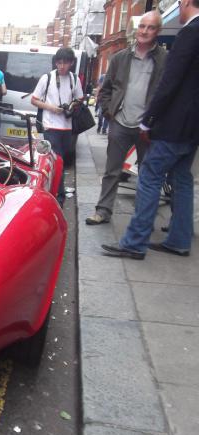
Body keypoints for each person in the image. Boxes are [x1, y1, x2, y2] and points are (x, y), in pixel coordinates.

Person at [102, 0, 199, 259]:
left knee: (149, 177)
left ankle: (135, 242)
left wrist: (149, 119)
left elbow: (169, 84)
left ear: (186, 2)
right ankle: (179, 239)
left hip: (173, 126)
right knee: (182, 179)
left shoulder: (190, 32)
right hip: (192, 129)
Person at [86, 11, 167, 225]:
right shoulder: (120, 57)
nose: (144, 31)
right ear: (136, 29)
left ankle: (142, 218)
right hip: (120, 121)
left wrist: (155, 121)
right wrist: (108, 112)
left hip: (147, 127)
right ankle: (103, 210)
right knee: (112, 170)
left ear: (157, 32)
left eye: (150, 28)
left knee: (148, 175)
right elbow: (106, 90)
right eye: (142, 26)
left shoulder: (164, 60)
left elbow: (166, 93)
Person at [31, 47, 84, 206]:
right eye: (59, 62)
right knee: (57, 160)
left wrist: (72, 105)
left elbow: (80, 98)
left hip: (67, 127)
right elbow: (34, 100)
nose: (62, 66)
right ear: (55, 62)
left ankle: (52, 193)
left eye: (65, 63)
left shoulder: (74, 79)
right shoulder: (47, 78)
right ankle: (58, 197)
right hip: (50, 126)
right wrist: (51, 108)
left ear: (71, 63)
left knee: (60, 162)